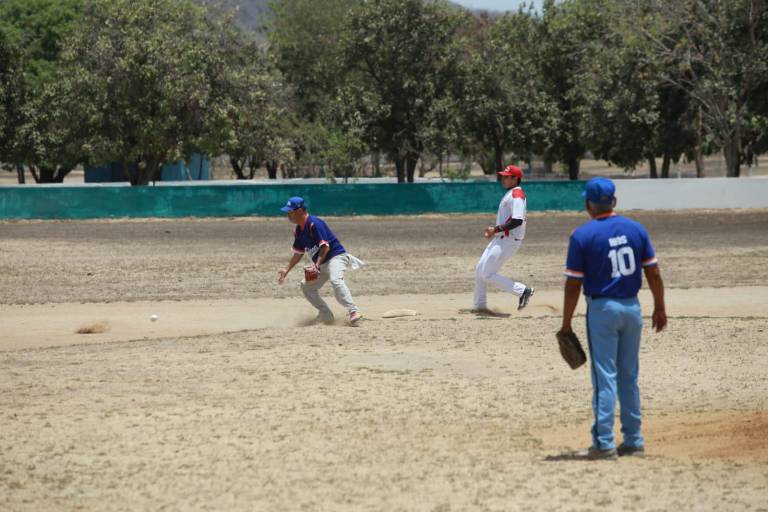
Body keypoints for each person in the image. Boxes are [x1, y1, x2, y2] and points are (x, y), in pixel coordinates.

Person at [560, 177, 667, 460]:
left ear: (588, 204)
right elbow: (653, 273)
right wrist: (659, 307)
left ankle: (604, 442)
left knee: (604, 377)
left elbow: (573, 286)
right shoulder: (636, 229)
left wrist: (566, 323)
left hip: (603, 310)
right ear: (614, 202)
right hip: (632, 309)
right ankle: (633, 440)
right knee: (628, 376)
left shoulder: (582, 236)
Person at [277, 196, 363, 325]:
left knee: (336, 280)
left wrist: (316, 265)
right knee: (306, 287)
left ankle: (353, 311)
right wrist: (286, 269)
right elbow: (299, 252)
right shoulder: (298, 230)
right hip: (322, 263)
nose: (288, 215)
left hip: (336, 257)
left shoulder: (314, 223)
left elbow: (325, 247)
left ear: (299, 211)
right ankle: (326, 314)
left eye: (290, 211)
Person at [473, 164, 535, 313]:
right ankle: (480, 307)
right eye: (503, 176)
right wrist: (495, 232)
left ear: (516, 178)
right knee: (480, 269)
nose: (503, 179)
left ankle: (522, 291)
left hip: (508, 241)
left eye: (507, 177)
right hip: (501, 239)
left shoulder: (517, 195)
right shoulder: (511, 193)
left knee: (487, 274)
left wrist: (495, 229)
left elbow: (517, 220)